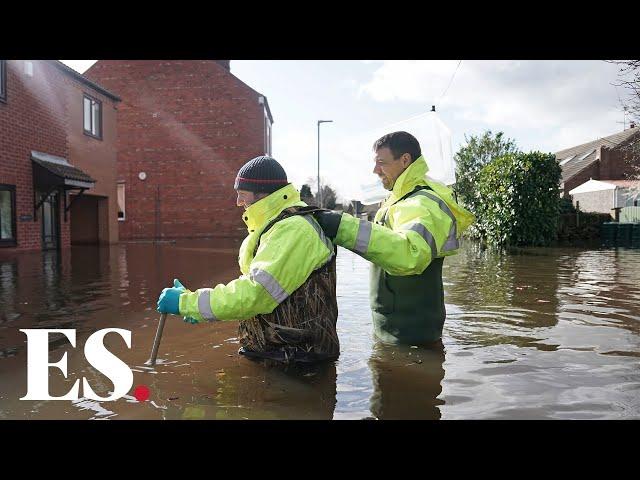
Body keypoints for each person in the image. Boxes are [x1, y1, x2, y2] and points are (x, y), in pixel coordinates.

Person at [156, 155, 339, 364]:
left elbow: (255, 294)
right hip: (280, 355)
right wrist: (199, 311)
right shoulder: (275, 228)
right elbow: (250, 293)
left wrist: (187, 303)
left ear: (263, 195)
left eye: (242, 194)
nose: (238, 202)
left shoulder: (293, 230)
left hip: (299, 361)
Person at [314, 131, 474, 345]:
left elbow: (409, 254)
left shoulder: (424, 204)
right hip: (391, 328)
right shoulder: (397, 200)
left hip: (412, 334)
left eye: (382, 162)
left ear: (405, 160)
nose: (375, 170)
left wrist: (340, 227)